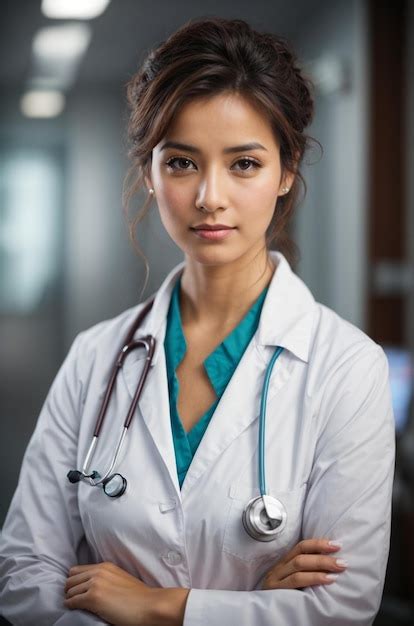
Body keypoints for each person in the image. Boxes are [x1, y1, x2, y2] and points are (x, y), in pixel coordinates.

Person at [0, 16, 395, 626]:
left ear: (286, 172)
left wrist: (158, 608)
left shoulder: (347, 367)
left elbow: (341, 607)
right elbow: (26, 576)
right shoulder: (96, 356)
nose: (210, 196)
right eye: (182, 163)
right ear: (150, 174)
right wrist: (252, 602)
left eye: (243, 164)